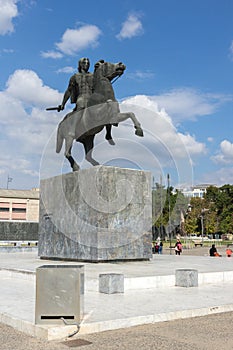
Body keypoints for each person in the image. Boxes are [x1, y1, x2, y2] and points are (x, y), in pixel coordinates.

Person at [58, 57, 115, 144]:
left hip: (92, 97)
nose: (86, 65)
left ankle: (108, 133)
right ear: (80, 65)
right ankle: (72, 129)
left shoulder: (92, 76)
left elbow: (101, 81)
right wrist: (63, 104)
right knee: (81, 105)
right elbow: (69, 91)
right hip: (82, 97)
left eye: (88, 63)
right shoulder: (74, 77)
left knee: (108, 106)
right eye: (84, 63)